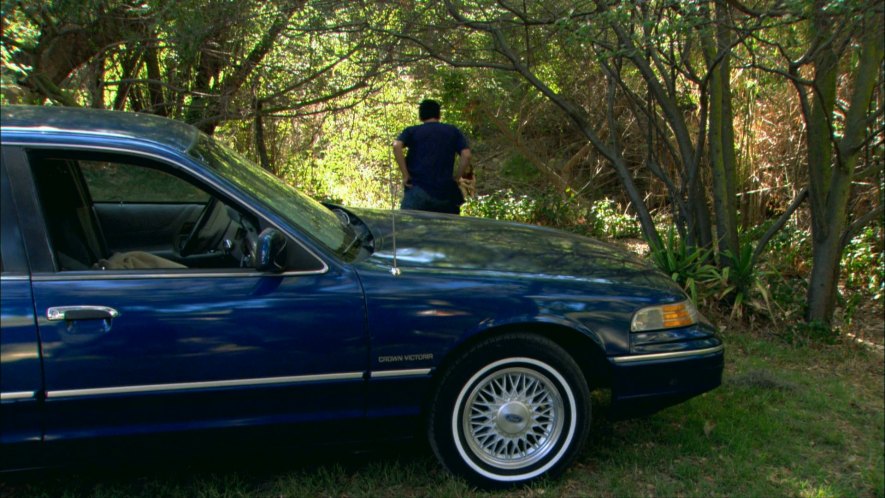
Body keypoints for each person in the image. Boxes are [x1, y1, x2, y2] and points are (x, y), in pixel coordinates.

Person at [393, 99, 472, 214]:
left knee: (407, 229)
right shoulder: (452, 131)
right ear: (439, 115)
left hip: (418, 190)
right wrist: (457, 177)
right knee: (445, 231)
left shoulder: (412, 131)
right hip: (445, 194)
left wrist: (405, 175)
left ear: (420, 116)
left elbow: (396, 146)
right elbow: (466, 155)